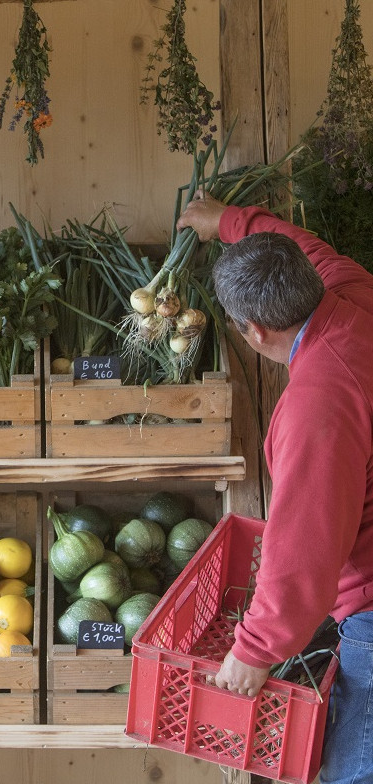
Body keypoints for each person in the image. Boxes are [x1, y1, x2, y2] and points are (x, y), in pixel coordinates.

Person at [176, 192, 373, 784]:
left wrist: (254, 650)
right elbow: (309, 246)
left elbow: (305, 546)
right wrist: (229, 223)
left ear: (254, 331)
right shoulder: (354, 293)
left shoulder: (316, 404)